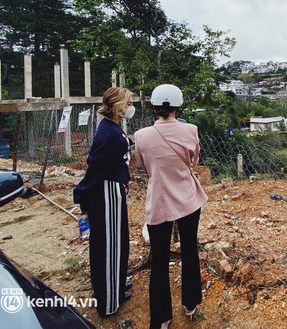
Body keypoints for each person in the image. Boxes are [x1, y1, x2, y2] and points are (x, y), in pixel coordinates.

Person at [134, 84, 207, 329]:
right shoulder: (191, 130)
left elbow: (143, 167)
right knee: (189, 250)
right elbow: (193, 161)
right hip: (188, 198)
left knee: (160, 259)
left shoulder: (141, 136)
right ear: (179, 105)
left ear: (154, 108)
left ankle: (162, 318)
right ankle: (191, 303)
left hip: (159, 201)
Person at [73, 87, 135, 317]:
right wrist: (82, 193)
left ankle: (116, 286)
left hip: (114, 190)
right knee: (108, 246)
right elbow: (96, 168)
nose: (130, 107)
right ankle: (109, 302)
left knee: (119, 242)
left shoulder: (112, 127)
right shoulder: (108, 133)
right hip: (106, 192)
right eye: (127, 103)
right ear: (117, 106)